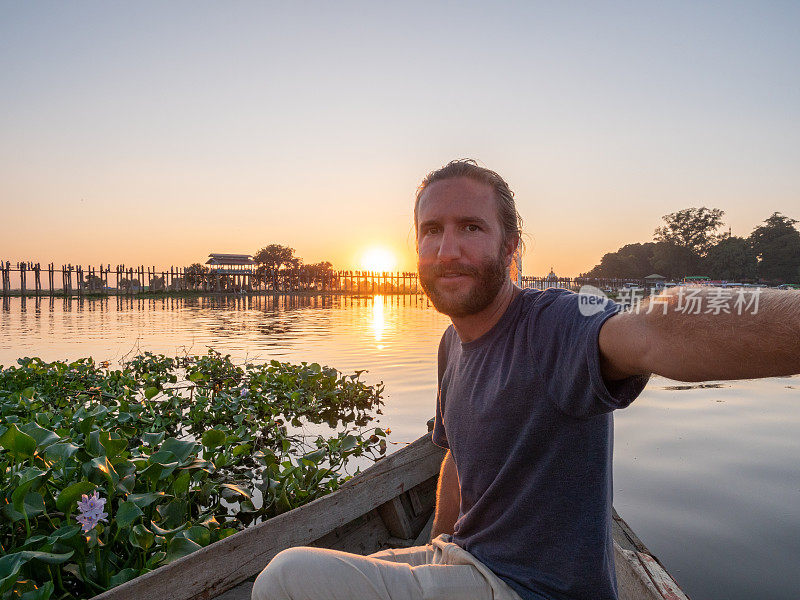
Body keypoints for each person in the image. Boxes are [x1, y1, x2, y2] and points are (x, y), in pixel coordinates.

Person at [252, 159, 800, 600]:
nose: (448, 249)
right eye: (431, 231)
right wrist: (443, 540)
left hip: (533, 587)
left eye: (471, 227)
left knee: (286, 579)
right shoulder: (451, 344)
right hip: (466, 556)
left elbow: (653, 332)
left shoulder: (558, 322)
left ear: (510, 247)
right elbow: (456, 457)